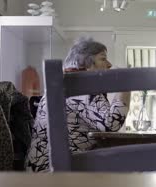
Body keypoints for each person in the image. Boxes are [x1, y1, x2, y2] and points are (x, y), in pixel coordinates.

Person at [26, 37, 130, 172]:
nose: (109, 64)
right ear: (86, 64)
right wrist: (125, 84)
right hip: (58, 171)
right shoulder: (80, 86)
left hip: (41, 167)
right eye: (103, 59)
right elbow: (111, 124)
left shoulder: (65, 83)